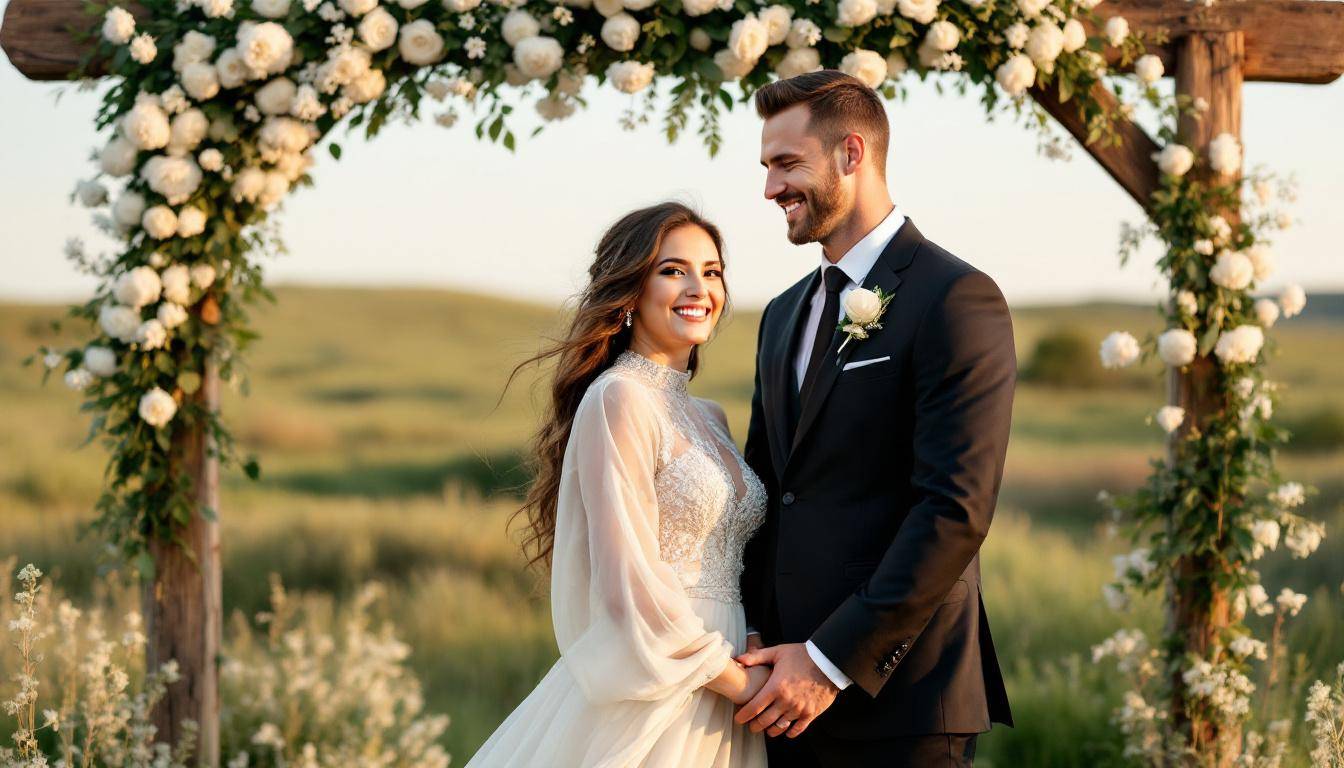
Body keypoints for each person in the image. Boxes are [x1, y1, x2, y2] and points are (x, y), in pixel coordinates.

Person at [735, 70, 1017, 767]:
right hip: (776, 696)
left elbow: (953, 510)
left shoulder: (955, 297)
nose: (770, 188)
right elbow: (768, 489)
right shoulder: (781, 316)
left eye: (787, 164)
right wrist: (747, 629)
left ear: (851, 154)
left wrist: (828, 661)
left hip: (901, 704)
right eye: (767, 167)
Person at [466, 201, 768, 768]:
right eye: (672, 270)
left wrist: (750, 639)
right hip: (665, 680)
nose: (697, 288)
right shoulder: (619, 397)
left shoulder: (711, 416)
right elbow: (626, 581)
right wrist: (735, 682)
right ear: (630, 290)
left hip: (729, 679)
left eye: (711, 271)